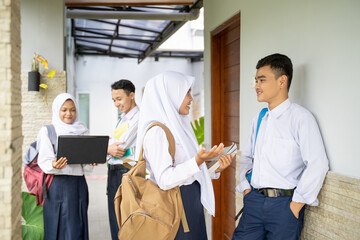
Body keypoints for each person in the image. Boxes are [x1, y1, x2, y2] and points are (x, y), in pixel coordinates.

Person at [232, 53, 329, 240]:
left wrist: (296, 205)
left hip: (284, 207)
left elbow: (318, 163)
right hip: (254, 202)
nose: (256, 86)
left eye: (262, 80)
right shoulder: (260, 118)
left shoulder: (301, 118)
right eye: (256, 80)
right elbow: (246, 158)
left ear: (282, 81)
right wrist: (246, 190)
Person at [135, 71, 235, 239]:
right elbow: (165, 180)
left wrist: (215, 168)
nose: (191, 99)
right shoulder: (157, 132)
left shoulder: (179, 126)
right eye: (186, 92)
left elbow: (187, 171)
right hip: (175, 207)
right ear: (170, 94)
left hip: (189, 201)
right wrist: (197, 161)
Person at [37, 93, 93, 240]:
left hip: (78, 185)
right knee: (57, 227)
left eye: (73, 110)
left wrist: (90, 160)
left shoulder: (82, 130)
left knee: (77, 226)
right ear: (57, 110)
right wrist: (53, 164)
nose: (69, 113)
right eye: (64, 110)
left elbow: (86, 168)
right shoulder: (48, 131)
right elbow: (43, 161)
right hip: (56, 185)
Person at [107, 79, 139, 240]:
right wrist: (107, 149)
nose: (116, 104)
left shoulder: (138, 117)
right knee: (115, 220)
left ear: (131, 95)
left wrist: (105, 149)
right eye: (114, 100)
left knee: (124, 221)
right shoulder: (123, 118)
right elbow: (112, 146)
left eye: (119, 99)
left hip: (124, 172)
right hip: (113, 173)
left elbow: (120, 147)